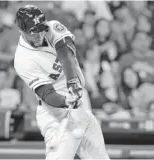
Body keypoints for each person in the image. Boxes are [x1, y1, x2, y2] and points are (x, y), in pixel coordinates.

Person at [14, 5, 110, 160]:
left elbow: (66, 53)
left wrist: (72, 83)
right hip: (55, 113)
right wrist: (66, 101)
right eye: (33, 32)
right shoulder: (23, 60)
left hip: (80, 102)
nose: (39, 34)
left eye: (41, 29)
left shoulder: (52, 28)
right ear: (21, 31)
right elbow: (46, 93)